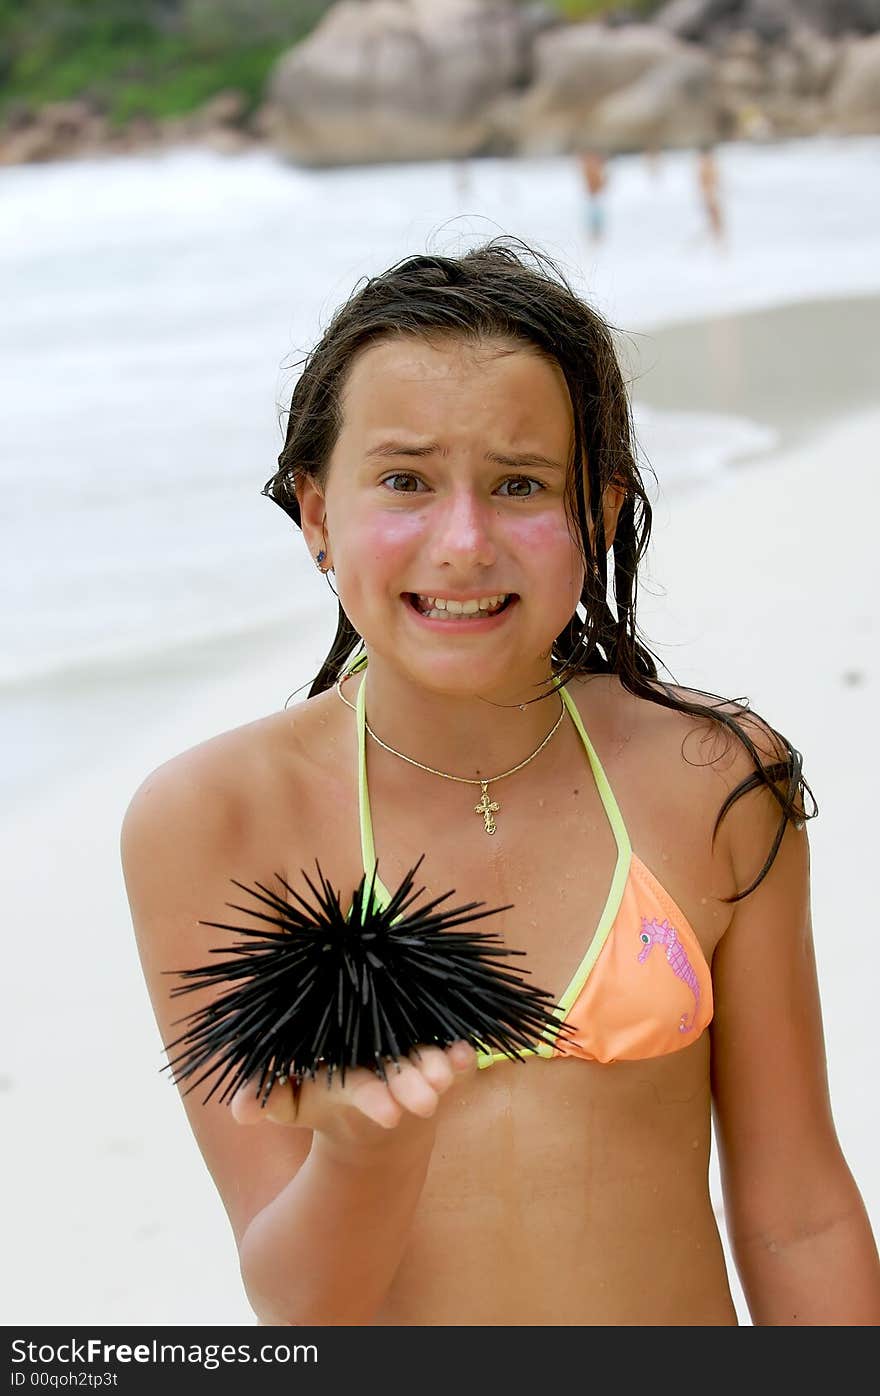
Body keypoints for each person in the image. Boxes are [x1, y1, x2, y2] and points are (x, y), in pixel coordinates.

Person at [120, 240, 880, 1326]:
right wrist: (365, 1145)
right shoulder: (217, 820)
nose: (464, 543)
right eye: (405, 480)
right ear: (316, 512)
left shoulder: (713, 779)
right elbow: (301, 1306)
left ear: (600, 508)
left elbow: (795, 1211)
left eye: (520, 483)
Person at [577, 147, 608, 243]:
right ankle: (594, 233)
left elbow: (601, 183)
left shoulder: (594, 169)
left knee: (596, 215)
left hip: (595, 196)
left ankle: (596, 233)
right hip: (593, 196)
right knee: (594, 215)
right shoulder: (590, 169)